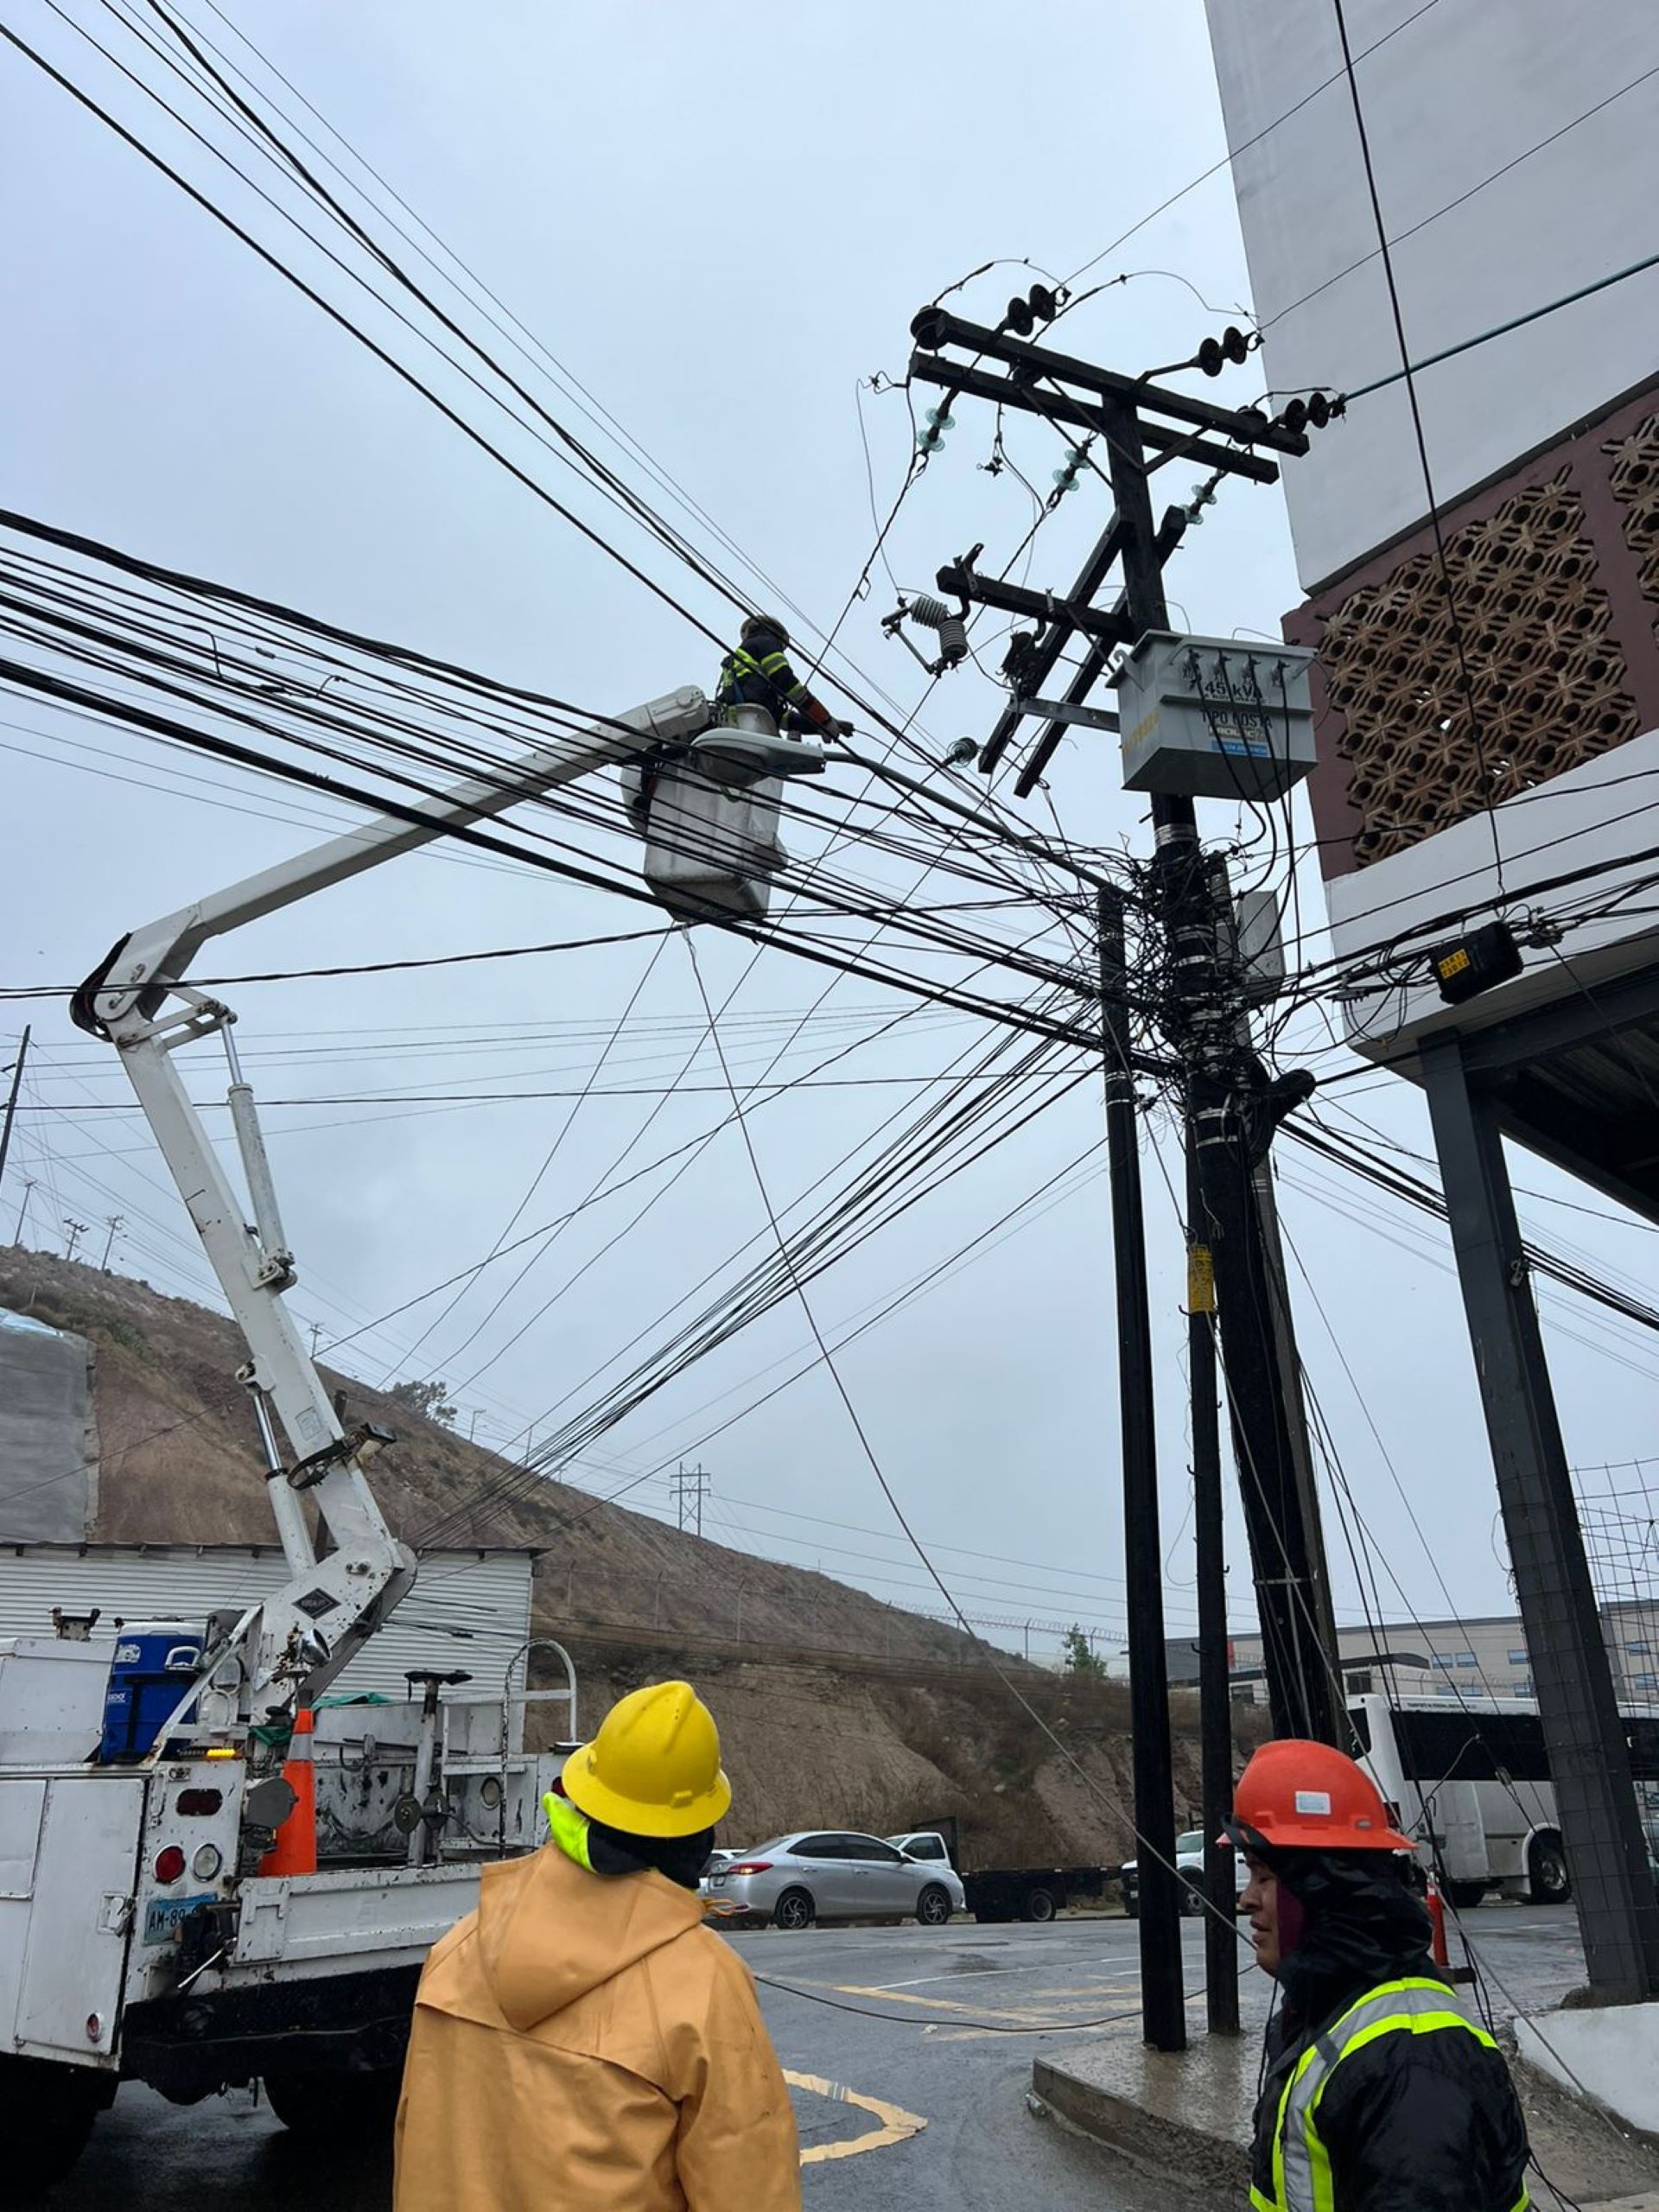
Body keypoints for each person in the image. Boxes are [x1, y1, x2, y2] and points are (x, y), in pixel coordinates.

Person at [393, 1679, 801, 2212]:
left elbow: (414, 2147)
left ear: (584, 1797)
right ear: (696, 1833)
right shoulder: (703, 1984)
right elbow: (750, 2191)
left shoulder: (456, 1951)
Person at [1229, 1738, 1530, 2212]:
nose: (1246, 1899)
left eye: (1263, 1876)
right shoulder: (1331, 2011)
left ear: (1323, 1891)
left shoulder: (1408, 2060)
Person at [716, 613, 852, 738]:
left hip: (740, 723)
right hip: (753, 722)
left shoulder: (741, 666)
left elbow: (782, 718)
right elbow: (787, 683)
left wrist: (821, 726)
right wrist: (824, 719)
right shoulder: (765, 642)